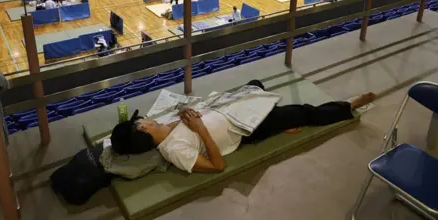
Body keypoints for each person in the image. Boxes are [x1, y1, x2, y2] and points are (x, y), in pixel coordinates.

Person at [110, 79, 375, 173]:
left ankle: (276, 118)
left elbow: (190, 113)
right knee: (304, 113)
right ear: (142, 129)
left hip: (229, 109)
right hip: (245, 129)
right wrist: (201, 130)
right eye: (141, 120)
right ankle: (348, 106)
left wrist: (186, 111)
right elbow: (217, 166)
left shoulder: (165, 125)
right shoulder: (174, 150)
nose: (144, 118)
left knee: (256, 84)